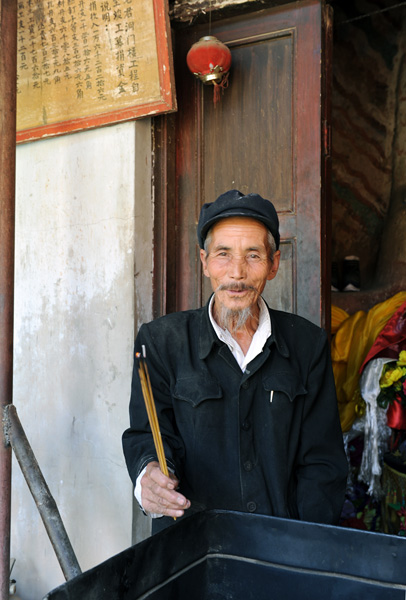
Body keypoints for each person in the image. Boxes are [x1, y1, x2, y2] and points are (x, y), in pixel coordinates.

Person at [122, 189, 348, 534]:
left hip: (280, 553)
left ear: (273, 264)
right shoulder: (161, 341)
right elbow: (148, 435)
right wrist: (148, 476)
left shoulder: (307, 344)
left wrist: (305, 550)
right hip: (191, 552)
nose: (237, 273)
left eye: (253, 255)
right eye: (223, 254)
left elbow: (322, 462)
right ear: (204, 262)